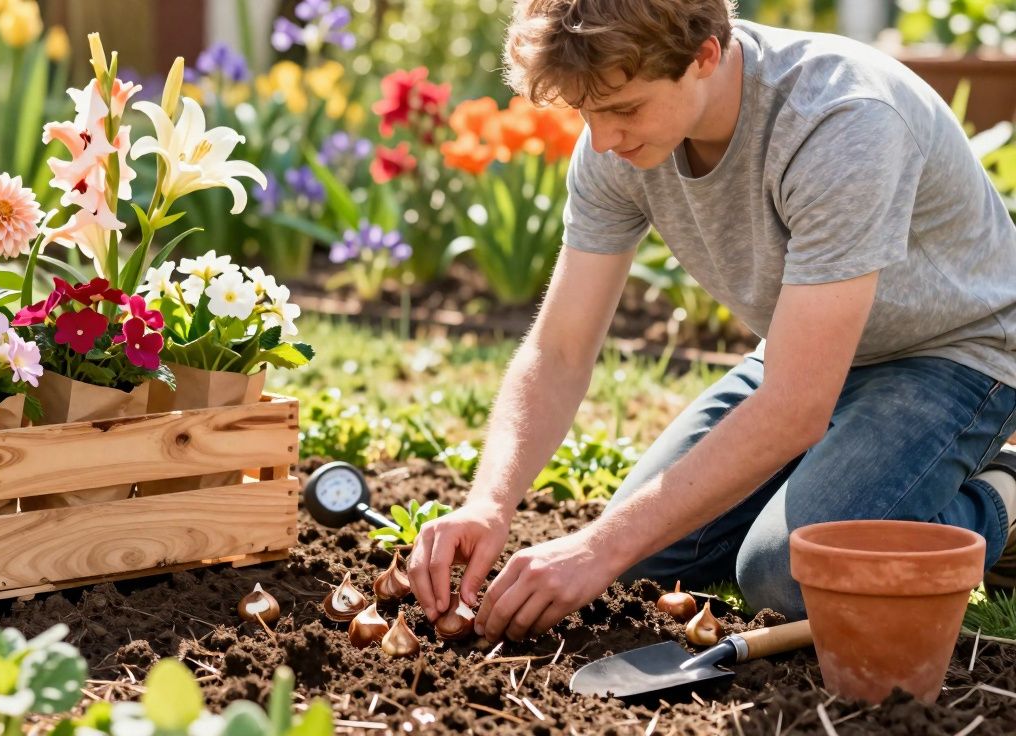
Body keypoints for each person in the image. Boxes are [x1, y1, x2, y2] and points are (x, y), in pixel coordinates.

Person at [407, 0, 1016, 643]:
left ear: (704, 55)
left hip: (955, 354)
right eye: (587, 112)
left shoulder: (841, 120)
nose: (603, 139)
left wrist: (596, 547)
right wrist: (489, 502)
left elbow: (795, 407)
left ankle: (1003, 493)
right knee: (643, 560)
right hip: (804, 350)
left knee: (787, 577)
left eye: (624, 109)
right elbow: (559, 350)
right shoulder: (618, 140)